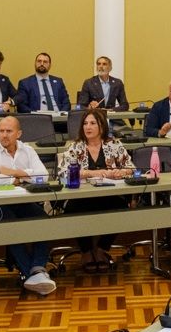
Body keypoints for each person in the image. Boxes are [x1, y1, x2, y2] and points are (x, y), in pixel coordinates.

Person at [0, 115, 57, 295]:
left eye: (9, 131)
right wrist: (23, 176)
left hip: (22, 201)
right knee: (11, 226)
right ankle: (34, 273)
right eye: (1, 131)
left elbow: (43, 176)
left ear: (19, 133)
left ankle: (36, 268)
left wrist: (11, 172)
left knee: (43, 220)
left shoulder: (27, 150)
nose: (4, 135)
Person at [56, 108, 133, 271]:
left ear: (102, 126)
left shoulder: (114, 145)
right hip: (81, 197)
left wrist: (120, 172)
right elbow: (62, 173)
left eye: (92, 123)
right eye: (85, 123)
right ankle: (85, 250)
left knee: (122, 208)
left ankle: (102, 248)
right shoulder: (75, 146)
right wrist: (92, 173)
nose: (88, 127)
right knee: (73, 210)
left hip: (109, 195)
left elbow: (131, 168)